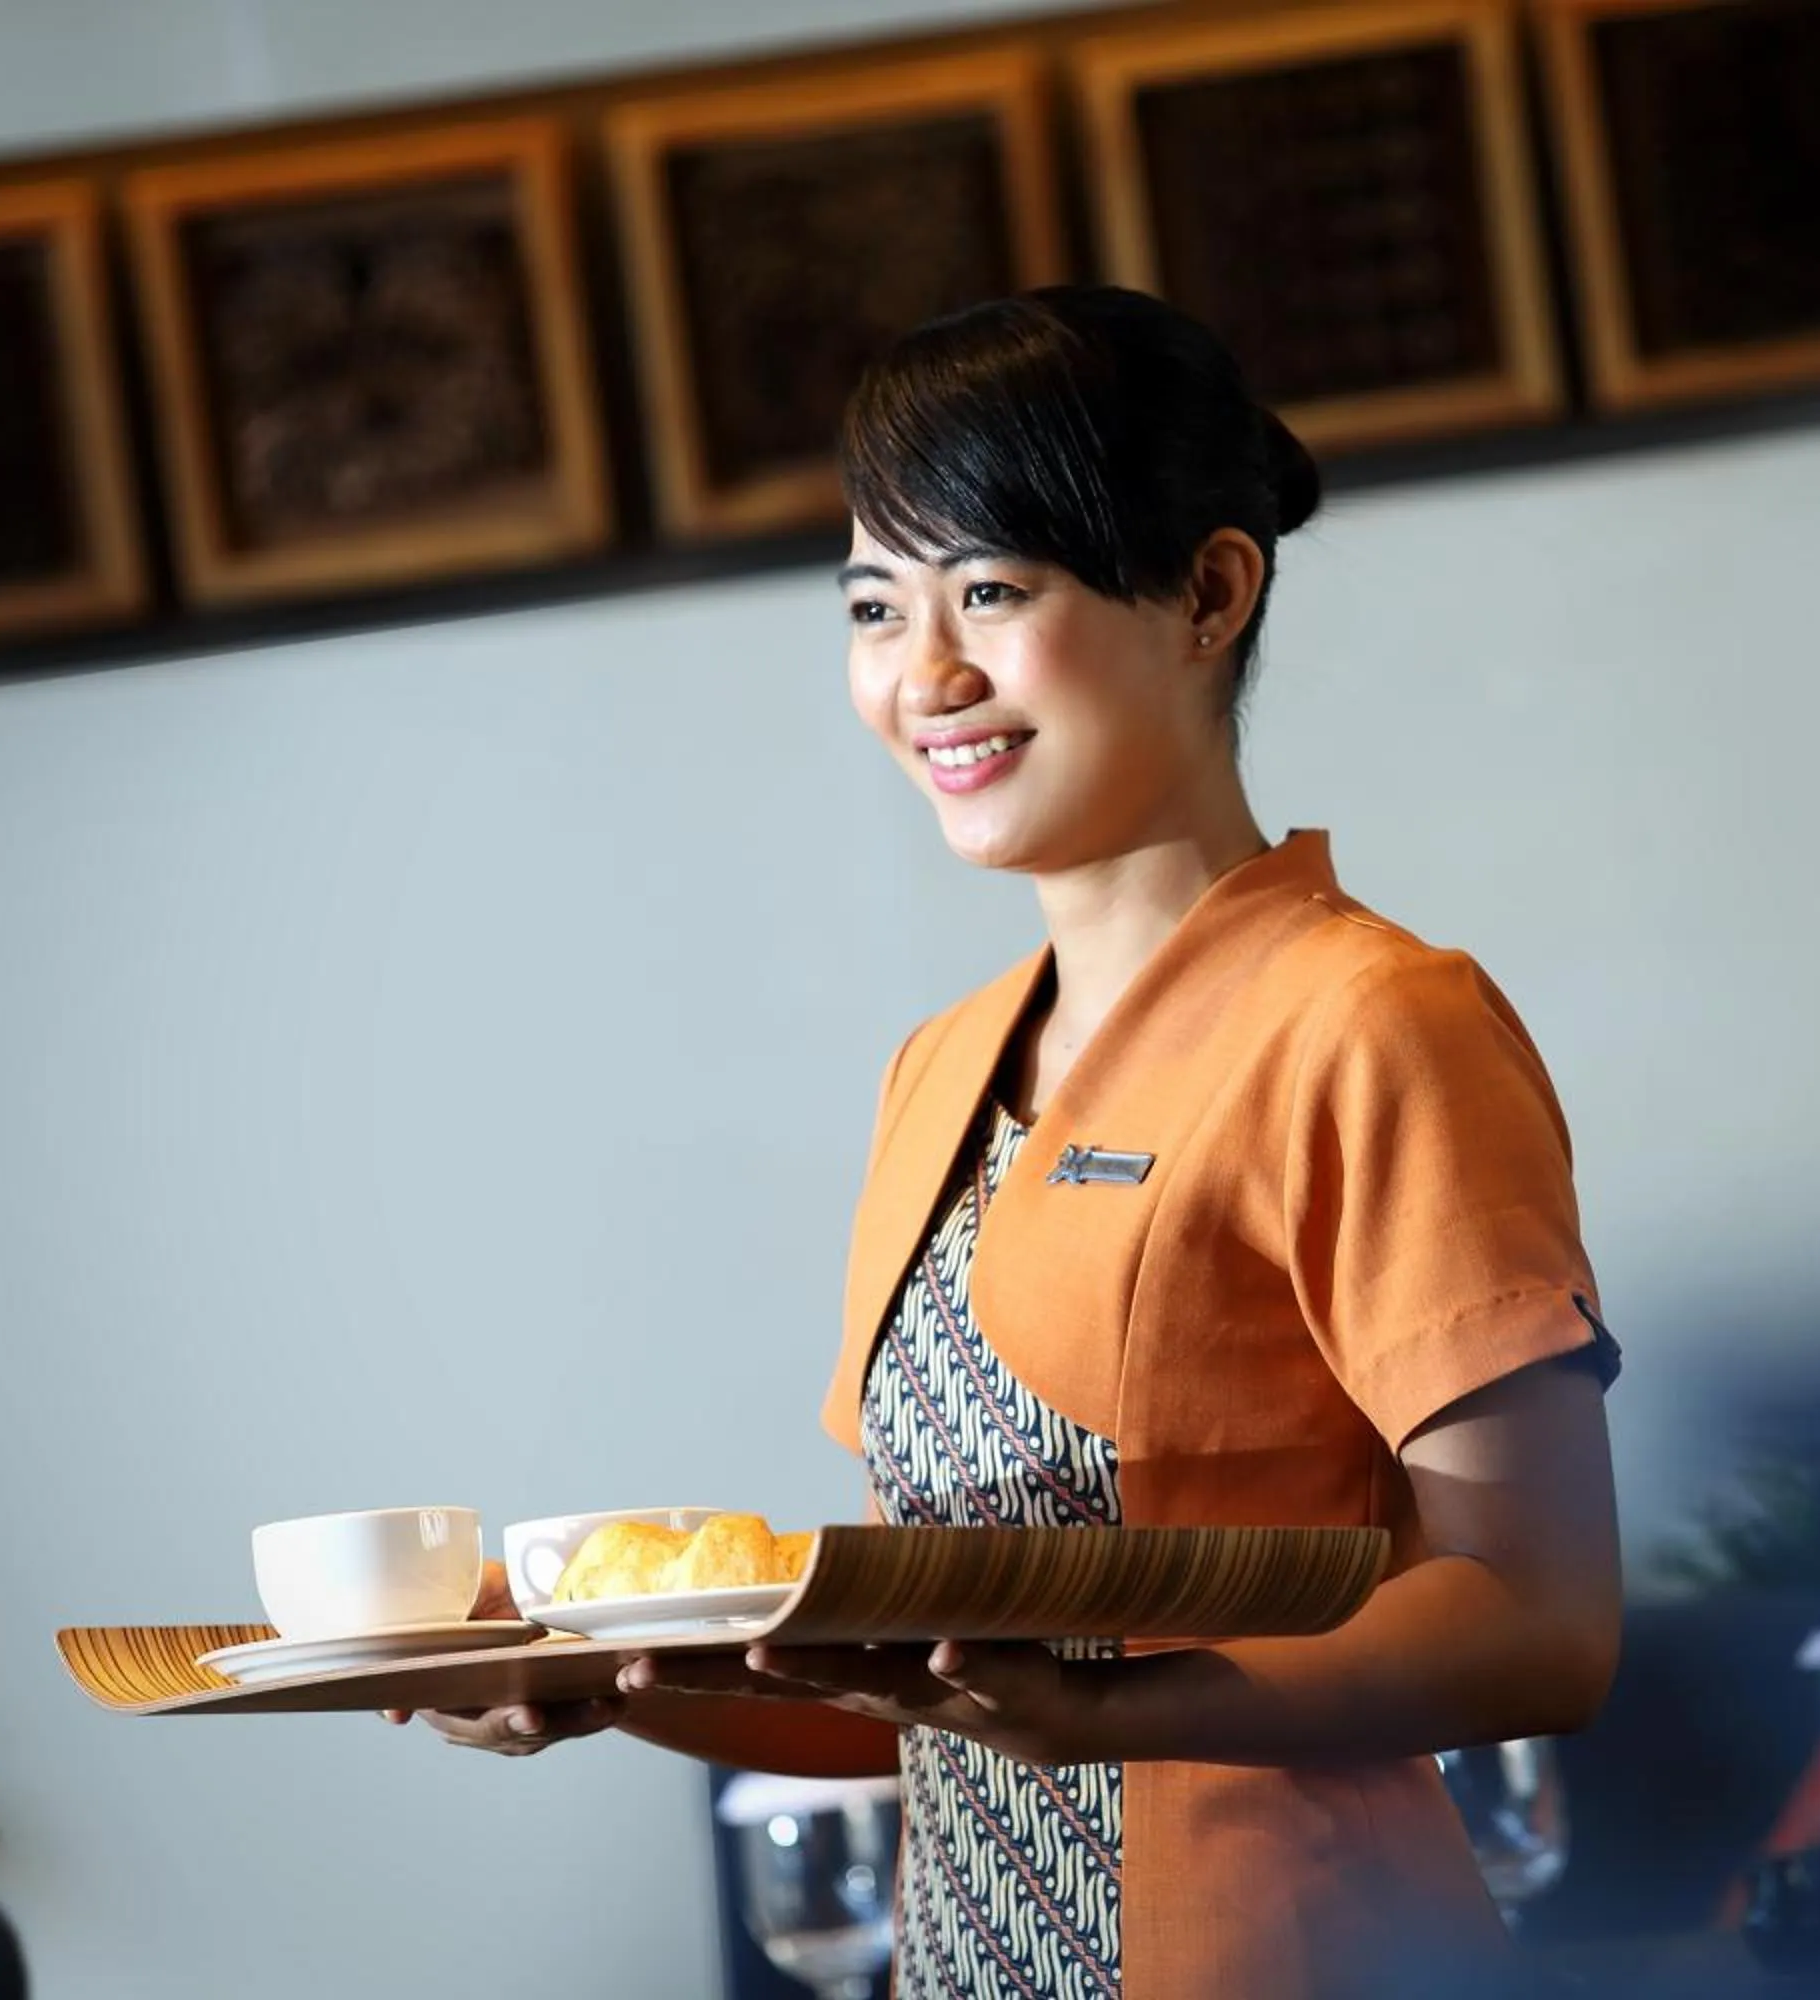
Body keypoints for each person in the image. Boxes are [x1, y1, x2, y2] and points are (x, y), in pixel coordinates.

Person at [390, 285, 1622, 1998]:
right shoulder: (942, 1069)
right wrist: (606, 1678)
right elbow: (934, 1701)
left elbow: (1538, 1619)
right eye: (876, 604)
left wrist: (1111, 1712)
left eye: (992, 590)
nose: (926, 675)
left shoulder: (1371, 1022)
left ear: (1208, 591)